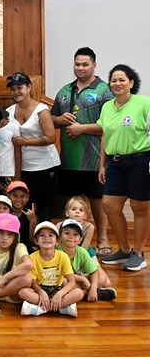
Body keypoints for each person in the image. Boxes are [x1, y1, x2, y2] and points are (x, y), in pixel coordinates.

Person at [51, 47, 113, 255]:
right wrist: (59, 120)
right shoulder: (64, 91)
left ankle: (102, 239)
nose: (80, 68)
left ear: (94, 65)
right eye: (77, 64)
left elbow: (109, 125)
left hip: (95, 159)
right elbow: (51, 119)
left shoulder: (105, 91)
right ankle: (68, 243)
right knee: (69, 203)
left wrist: (82, 128)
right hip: (68, 159)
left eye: (85, 64)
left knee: (97, 200)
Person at [97, 64, 150, 271]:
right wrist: (102, 165)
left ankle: (139, 253)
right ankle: (125, 250)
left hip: (140, 160)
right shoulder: (107, 107)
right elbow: (104, 136)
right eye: (113, 80)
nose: (117, 83)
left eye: (122, 80)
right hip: (115, 163)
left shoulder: (144, 103)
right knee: (109, 204)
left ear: (131, 83)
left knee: (139, 207)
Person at [6, 72, 60, 222]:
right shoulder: (9, 111)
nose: (16, 92)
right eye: (13, 89)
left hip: (46, 166)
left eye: (20, 88)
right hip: (23, 167)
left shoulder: (41, 110)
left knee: (44, 208)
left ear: (29, 87)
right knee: (23, 207)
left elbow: (51, 138)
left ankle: (44, 236)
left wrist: (25, 141)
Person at [18, 222, 83, 317]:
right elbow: (33, 283)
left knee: (79, 293)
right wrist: (41, 292)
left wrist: (59, 294)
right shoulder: (32, 257)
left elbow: (71, 281)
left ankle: (40, 309)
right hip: (40, 290)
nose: (46, 238)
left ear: (57, 241)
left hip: (58, 289)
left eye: (50, 235)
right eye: (42, 235)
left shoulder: (63, 256)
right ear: (36, 240)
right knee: (23, 292)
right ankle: (62, 308)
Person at [57, 219, 116, 302]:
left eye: (75, 234)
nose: (71, 237)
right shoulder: (56, 252)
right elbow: (61, 275)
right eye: (67, 233)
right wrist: (82, 279)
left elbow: (94, 271)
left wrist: (93, 288)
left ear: (80, 240)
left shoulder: (82, 251)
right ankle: (88, 293)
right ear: (60, 237)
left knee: (102, 279)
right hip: (65, 279)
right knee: (64, 282)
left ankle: (88, 292)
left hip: (77, 278)